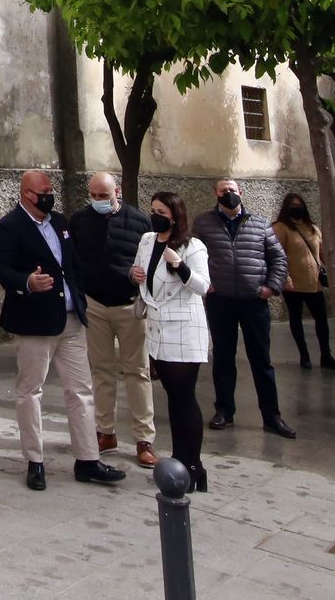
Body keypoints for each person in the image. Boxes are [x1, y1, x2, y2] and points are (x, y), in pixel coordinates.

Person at [0, 169, 126, 492]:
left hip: (70, 319)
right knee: (30, 392)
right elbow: (1, 269)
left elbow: (73, 263)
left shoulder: (60, 222)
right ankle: (35, 461)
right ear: (27, 194)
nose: (49, 194)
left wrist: (78, 293)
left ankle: (88, 459)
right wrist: (27, 282)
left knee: (81, 390)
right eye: (44, 190)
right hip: (34, 322)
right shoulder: (10, 226)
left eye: (51, 189)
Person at [192, 178, 295, 438]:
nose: (229, 194)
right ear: (215, 193)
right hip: (221, 300)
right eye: (223, 191)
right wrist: (207, 284)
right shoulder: (203, 224)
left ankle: (272, 415)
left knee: (262, 360)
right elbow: (193, 254)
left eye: (233, 190)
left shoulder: (260, 224)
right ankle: (224, 410)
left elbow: (278, 257)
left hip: (254, 302)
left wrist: (271, 287)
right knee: (223, 359)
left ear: (241, 193)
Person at [69, 172, 156, 468]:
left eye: (103, 196)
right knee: (101, 371)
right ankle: (105, 432)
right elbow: (75, 259)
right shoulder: (80, 221)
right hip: (95, 305)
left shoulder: (140, 222)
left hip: (130, 305)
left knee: (137, 371)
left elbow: (148, 261)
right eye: (93, 196)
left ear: (116, 192)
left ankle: (144, 439)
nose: (97, 201)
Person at [132, 192, 211, 492]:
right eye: (153, 210)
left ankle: (192, 464)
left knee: (184, 398)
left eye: (161, 211)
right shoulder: (147, 241)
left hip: (184, 331)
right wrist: (133, 274)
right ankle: (180, 459)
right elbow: (143, 277)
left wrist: (180, 266)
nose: (155, 215)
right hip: (158, 331)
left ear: (175, 215)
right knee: (173, 400)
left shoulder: (193, 246)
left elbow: (203, 286)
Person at [272, 193, 335, 371]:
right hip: (292, 283)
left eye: (299, 204)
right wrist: (285, 277)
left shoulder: (313, 228)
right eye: (293, 205)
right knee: (296, 317)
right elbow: (278, 254)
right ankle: (304, 355)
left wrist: (333, 271)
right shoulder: (281, 228)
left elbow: (322, 252)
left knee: (321, 319)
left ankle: (326, 354)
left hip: (313, 283)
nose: (296, 207)